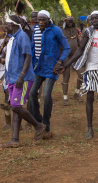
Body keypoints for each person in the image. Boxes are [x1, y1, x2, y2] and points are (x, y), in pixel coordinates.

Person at [54, 11, 98, 139]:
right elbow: (80, 50)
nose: (93, 20)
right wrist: (66, 65)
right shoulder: (88, 32)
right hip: (91, 67)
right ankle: (90, 129)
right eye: (91, 18)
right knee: (90, 98)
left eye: (96, 18)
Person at [0, 14, 44, 147]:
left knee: (16, 106)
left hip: (21, 78)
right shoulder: (11, 38)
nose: (4, 26)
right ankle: (15, 139)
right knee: (16, 108)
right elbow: (11, 60)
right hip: (11, 77)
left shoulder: (22, 36)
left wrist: (22, 75)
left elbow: (28, 56)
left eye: (6, 24)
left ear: (12, 25)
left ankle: (38, 125)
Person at [29, 10, 70, 138]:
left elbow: (67, 47)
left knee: (46, 95)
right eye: (39, 19)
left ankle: (46, 125)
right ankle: (38, 121)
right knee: (31, 94)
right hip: (37, 67)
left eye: (43, 20)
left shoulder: (56, 30)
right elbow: (32, 47)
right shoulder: (35, 29)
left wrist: (60, 61)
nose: (40, 22)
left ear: (48, 20)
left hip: (51, 68)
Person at [61, 16, 83, 104]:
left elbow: (78, 42)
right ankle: (65, 98)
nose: (70, 23)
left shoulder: (75, 30)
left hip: (75, 55)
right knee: (66, 76)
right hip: (65, 55)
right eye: (68, 22)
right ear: (65, 22)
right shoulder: (61, 31)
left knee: (81, 74)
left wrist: (81, 50)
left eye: (71, 22)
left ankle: (77, 93)